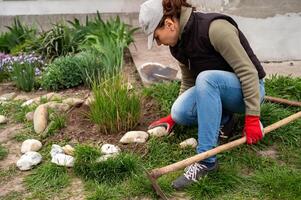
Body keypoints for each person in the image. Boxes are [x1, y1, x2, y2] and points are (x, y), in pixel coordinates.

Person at [139, 0, 266, 190]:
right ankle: (225, 119)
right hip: (216, 89)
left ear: (169, 24)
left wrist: (253, 118)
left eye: (157, 37)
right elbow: (190, 82)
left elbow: (249, 73)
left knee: (207, 79)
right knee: (180, 111)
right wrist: (173, 118)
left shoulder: (215, 29)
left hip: (249, 90)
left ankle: (206, 161)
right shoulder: (178, 44)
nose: (158, 43)